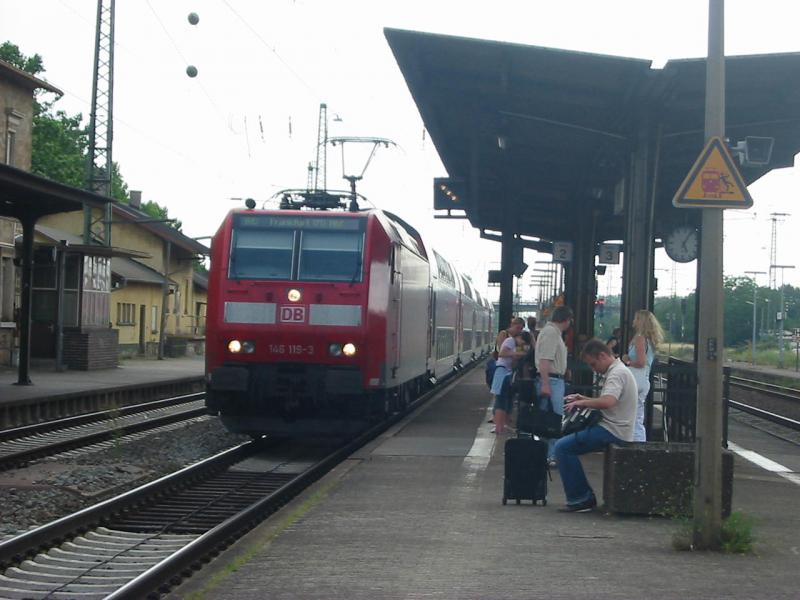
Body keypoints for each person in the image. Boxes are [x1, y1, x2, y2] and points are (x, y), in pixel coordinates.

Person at [554, 339, 637, 512]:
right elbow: (609, 400)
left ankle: (581, 498)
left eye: (593, 364)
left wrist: (583, 403)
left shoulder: (616, 374)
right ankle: (582, 496)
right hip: (614, 428)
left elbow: (608, 401)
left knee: (562, 447)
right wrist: (582, 399)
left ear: (602, 355)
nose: (593, 369)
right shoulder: (619, 370)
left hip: (613, 430)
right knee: (565, 444)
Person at [534, 305, 572, 465]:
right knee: (553, 419)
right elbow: (545, 360)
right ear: (566, 320)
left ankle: (547, 453)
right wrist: (546, 384)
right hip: (552, 381)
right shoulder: (551, 333)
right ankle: (550, 455)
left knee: (548, 418)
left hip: (554, 380)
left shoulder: (553, 332)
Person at [622, 310, 664, 442]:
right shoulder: (649, 341)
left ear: (641, 321)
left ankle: (637, 446)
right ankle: (639, 445)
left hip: (636, 379)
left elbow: (640, 362)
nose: (634, 321)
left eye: (636, 319)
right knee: (638, 416)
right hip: (644, 379)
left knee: (632, 417)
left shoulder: (640, 339)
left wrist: (627, 361)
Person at [490, 317, 525, 434]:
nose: (519, 330)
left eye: (521, 328)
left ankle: (502, 424)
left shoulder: (515, 341)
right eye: (518, 327)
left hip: (508, 371)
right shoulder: (506, 337)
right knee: (501, 399)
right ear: (512, 325)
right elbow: (501, 352)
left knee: (507, 399)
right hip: (502, 370)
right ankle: (498, 425)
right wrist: (516, 353)